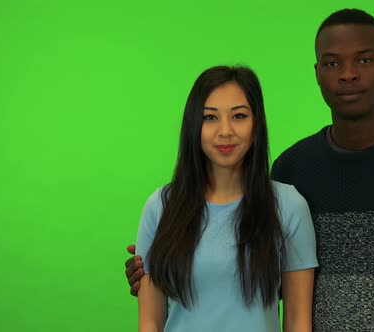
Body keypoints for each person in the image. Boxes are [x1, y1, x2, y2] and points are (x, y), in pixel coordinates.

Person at [127, 9, 374, 331]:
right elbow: (260, 285)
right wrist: (167, 267)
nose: (347, 74)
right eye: (332, 63)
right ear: (317, 73)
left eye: (364, 59)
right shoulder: (293, 169)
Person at [134, 65, 318, 332]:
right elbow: (150, 322)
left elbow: (297, 321)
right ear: (193, 125)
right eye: (210, 118)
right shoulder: (161, 207)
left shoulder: (288, 205)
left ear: (256, 125)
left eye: (239, 116)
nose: (225, 131)